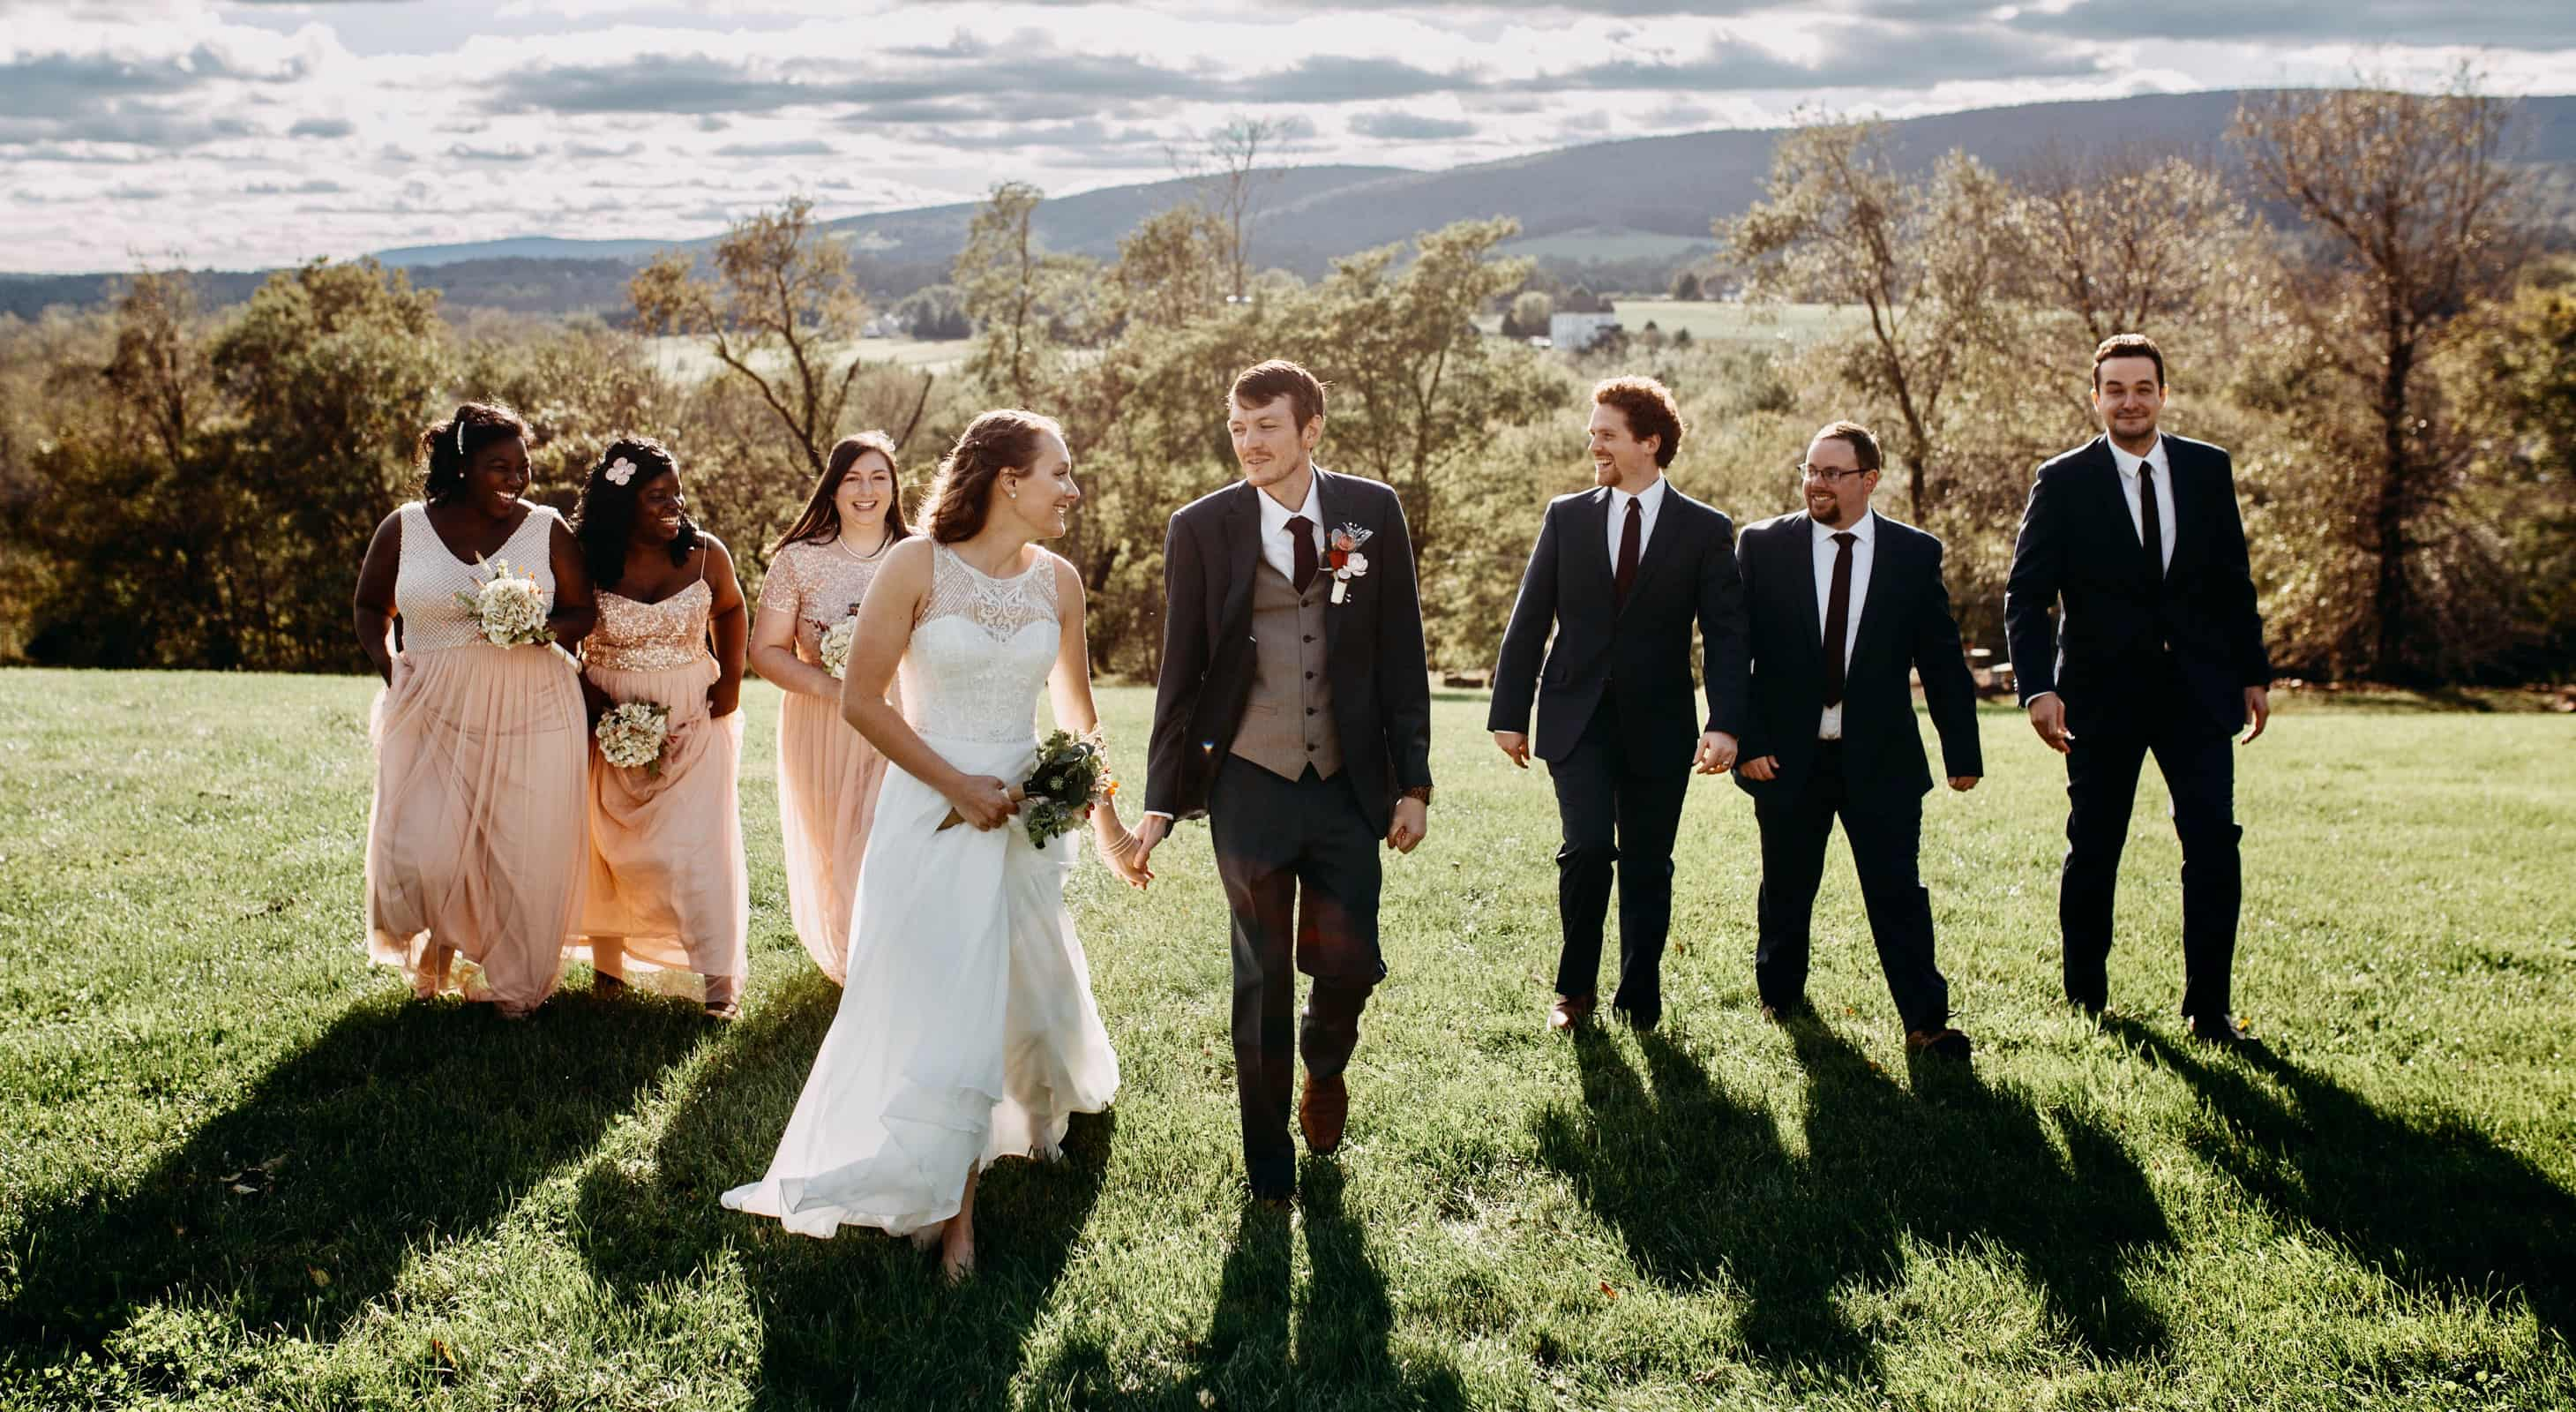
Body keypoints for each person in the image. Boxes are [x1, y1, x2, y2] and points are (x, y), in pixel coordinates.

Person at [723, 409, 1144, 1281]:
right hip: (930, 811)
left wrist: (1110, 834)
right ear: (1006, 480)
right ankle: (954, 1215)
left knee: (1013, 982)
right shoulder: (916, 565)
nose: (1072, 489)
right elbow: (863, 700)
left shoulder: (1059, 582)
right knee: (941, 996)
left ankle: (1014, 1121)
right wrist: (956, 784)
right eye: (1058, 472)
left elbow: (1079, 720)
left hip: (1023, 817)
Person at [1127, 359, 1434, 1204]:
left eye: (1266, 426)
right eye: (1238, 426)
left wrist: (1414, 783)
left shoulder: (1371, 513)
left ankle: (1325, 1062)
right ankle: (1268, 1166)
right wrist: (1163, 800)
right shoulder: (1200, 528)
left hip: (1347, 783)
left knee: (1348, 963)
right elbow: (1179, 670)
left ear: (1310, 430)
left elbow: (1404, 654)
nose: (1249, 442)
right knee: (1259, 974)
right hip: (1249, 784)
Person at [2004, 334, 2273, 1045]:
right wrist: (2038, 688)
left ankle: (2209, 1010)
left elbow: (2232, 582)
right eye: (2115, 389)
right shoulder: (2062, 481)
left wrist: (2253, 672)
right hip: (2099, 695)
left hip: (2200, 692)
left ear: (2163, 393)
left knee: (2214, 844)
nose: (2130, 401)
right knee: (2094, 847)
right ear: (2096, 398)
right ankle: (2087, 999)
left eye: (2142, 388)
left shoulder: (2207, 469)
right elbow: (2027, 596)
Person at [1486, 375, 1748, 1033]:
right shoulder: (1566, 516)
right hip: (1576, 720)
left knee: (1648, 862)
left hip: (1660, 724)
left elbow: (1725, 635)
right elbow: (1530, 619)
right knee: (1586, 850)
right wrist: (1509, 712)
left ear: (1649, 442)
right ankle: (1572, 993)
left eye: (1606, 433)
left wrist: (1724, 722)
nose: (1593, 443)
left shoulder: (1705, 529)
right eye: (1593, 432)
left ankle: (1639, 998)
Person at [1732, 421, 1982, 1057]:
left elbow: (1942, 658)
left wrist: (1962, 751)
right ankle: (1781, 1000)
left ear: (1869, 479)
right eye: (1809, 471)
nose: (1816, 484)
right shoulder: (1762, 546)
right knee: (1786, 885)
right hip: (1785, 755)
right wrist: (1748, 740)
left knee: (1898, 891)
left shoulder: (1913, 553)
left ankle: (1926, 1022)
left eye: (1831, 473)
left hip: (1882, 759)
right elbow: (1737, 654)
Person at [352, 402, 595, 1018]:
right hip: (431, 708)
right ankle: (439, 942)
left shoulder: (546, 528)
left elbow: (582, 611)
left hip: (533, 707)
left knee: (523, 851)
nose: (517, 479)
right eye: (499, 466)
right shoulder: (404, 527)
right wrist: (394, 672)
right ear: (461, 467)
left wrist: (541, 625)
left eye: (523, 466)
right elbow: (369, 607)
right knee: (424, 851)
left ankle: (514, 985)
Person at [568, 437, 751, 1020]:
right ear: (621, 504)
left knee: (698, 850)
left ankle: (719, 984)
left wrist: (730, 683)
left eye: (676, 490)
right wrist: (586, 692)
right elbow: (562, 629)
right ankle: (608, 974)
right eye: (657, 496)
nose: (675, 503)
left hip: (694, 713)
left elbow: (731, 609)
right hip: (606, 712)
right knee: (608, 847)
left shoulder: (704, 554)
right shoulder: (586, 558)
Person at [751, 432, 912, 982]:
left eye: (878, 478)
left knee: (888, 838)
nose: (866, 491)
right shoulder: (799, 560)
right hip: (823, 721)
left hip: (904, 717)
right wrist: (834, 688)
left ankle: (890, 960)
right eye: (852, 479)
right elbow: (765, 652)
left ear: (895, 487)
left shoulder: (922, 555)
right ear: (834, 488)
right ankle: (856, 964)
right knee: (835, 846)